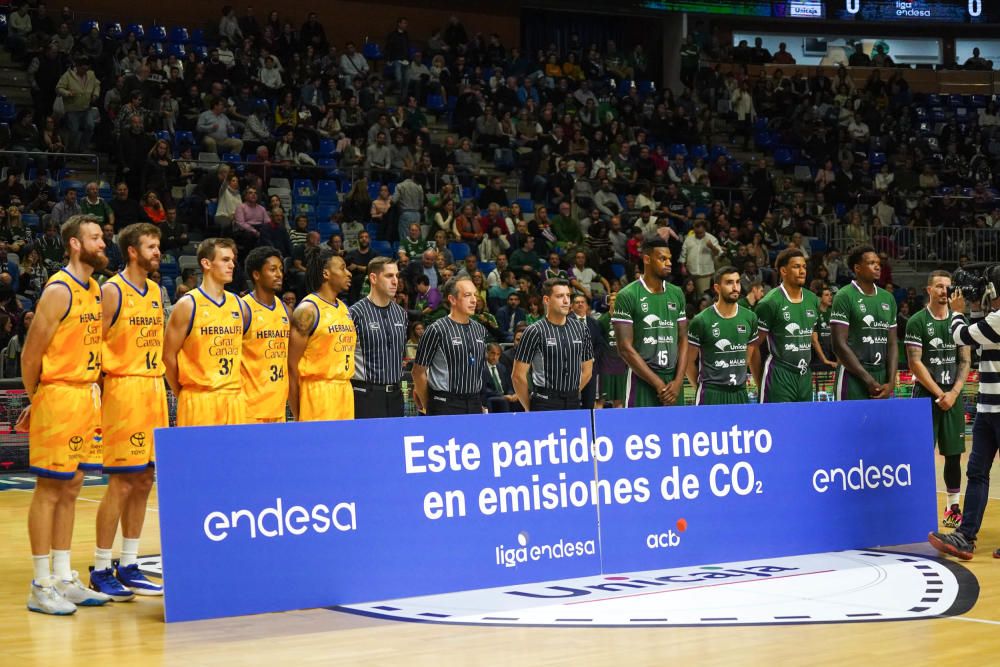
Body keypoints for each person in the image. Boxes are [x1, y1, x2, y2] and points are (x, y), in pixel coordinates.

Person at [21, 215, 111, 614]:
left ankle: (62, 574)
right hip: (58, 395)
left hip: (86, 395)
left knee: (73, 486)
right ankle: (40, 584)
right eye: (95, 237)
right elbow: (30, 355)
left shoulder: (94, 288)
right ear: (75, 244)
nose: (103, 242)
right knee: (49, 488)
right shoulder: (59, 290)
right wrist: (39, 398)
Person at [90, 223, 167, 601]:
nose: (158, 252)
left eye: (158, 246)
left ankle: (131, 563)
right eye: (151, 247)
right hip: (124, 389)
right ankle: (102, 566)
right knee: (121, 481)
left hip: (154, 388)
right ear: (132, 251)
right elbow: (94, 343)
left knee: (145, 479)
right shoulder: (111, 291)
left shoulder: (154, 290)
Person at [928, 266, 1000, 560]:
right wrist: (971, 309)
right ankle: (965, 537)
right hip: (987, 408)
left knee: (978, 473)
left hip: (996, 408)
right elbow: (980, 338)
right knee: (977, 472)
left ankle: (966, 535)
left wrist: (958, 311)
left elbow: (960, 336)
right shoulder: (993, 320)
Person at [906, 271, 970, 528]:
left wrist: (953, 393)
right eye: (940, 286)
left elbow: (965, 360)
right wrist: (939, 393)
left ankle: (952, 508)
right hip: (926, 396)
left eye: (948, 286)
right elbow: (914, 362)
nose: (945, 291)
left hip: (953, 395)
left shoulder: (959, 320)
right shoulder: (917, 321)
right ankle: (917, 509)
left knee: (954, 455)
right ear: (928, 290)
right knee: (921, 454)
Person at [162, 238, 250, 426]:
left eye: (233, 260)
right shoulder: (187, 304)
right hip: (199, 398)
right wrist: (185, 394)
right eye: (225, 260)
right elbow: (168, 356)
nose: (232, 265)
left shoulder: (239, 305)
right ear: (206, 263)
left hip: (234, 397)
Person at [612, 238, 689, 407]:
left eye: (670, 258)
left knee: (676, 433)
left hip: (673, 382)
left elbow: (683, 339)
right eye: (662, 258)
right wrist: (658, 384)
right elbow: (624, 348)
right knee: (639, 432)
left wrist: (678, 381)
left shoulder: (677, 293)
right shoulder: (628, 295)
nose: (669, 263)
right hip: (641, 380)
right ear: (647, 259)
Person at [287, 247, 357, 421]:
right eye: (342, 268)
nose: (348, 273)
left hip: (345, 389)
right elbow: (291, 366)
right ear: (326, 274)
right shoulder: (307, 310)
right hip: (318, 392)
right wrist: (297, 414)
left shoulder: (343, 307)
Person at [512, 278, 593, 411]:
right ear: (546, 300)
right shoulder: (534, 331)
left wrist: (569, 394)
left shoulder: (582, 329)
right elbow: (518, 376)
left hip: (573, 401)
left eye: (568, 296)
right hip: (544, 403)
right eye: (560, 296)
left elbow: (588, 370)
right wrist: (529, 408)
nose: (566, 301)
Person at [685, 266, 760, 405]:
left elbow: (749, 357)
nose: (735, 287)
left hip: (740, 392)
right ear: (717, 288)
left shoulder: (750, 317)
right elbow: (688, 363)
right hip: (711, 393)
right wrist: (701, 390)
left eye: (737, 282)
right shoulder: (701, 320)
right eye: (729, 282)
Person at [831, 245, 898, 400]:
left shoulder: (887, 298)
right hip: (853, 376)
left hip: (881, 376)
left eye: (878, 263)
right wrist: (868, 380)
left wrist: (891, 381)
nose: (877, 266)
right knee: (849, 424)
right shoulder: (844, 295)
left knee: (879, 425)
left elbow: (892, 343)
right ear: (857, 268)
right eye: (871, 263)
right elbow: (838, 344)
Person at [412, 277, 487, 415]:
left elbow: (477, 370)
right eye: (467, 295)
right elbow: (418, 372)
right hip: (444, 403)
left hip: (474, 402)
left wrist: (478, 403)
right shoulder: (436, 329)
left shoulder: (480, 330)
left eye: (474, 294)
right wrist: (429, 406)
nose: (474, 300)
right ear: (452, 299)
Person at [754, 248, 820, 402]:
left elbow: (812, 335)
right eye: (796, 267)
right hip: (779, 374)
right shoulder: (769, 302)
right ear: (783, 271)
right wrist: (759, 382)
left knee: (804, 423)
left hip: (805, 374)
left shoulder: (812, 299)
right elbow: (753, 346)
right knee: (776, 424)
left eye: (804, 266)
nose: (802, 271)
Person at [349, 257, 408, 418]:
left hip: (396, 394)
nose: (395, 281)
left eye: (397, 276)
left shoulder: (401, 314)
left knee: (394, 442)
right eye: (389, 276)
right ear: (373, 278)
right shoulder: (354, 313)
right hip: (365, 394)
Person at [240, 247, 291, 423]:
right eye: (272, 269)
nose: (279, 274)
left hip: (278, 407)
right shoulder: (243, 309)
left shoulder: (285, 309)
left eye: (280, 269)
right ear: (256, 274)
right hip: (249, 409)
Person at [598, 291, 628, 408]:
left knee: (619, 401)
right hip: (606, 366)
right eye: (613, 300)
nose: (615, 302)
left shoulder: (625, 320)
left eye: (618, 300)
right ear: (609, 303)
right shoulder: (602, 320)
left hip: (621, 365)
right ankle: (598, 425)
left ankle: (619, 425)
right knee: (601, 400)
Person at [481, 342, 518, 413]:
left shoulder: (502, 367)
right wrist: (502, 396)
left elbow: (508, 385)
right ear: (486, 353)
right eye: (492, 353)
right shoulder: (482, 368)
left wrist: (511, 394)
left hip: (505, 397)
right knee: (502, 401)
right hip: (490, 398)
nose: (495, 357)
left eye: (498, 354)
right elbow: (484, 389)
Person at [811, 286, 838, 371]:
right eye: (826, 295)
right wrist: (825, 360)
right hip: (818, 358)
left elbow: (837, 339)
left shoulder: (833, 313)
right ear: (819, 298)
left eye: (831, 295)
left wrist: (839, 358)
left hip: (833, 357)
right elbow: (814, 341)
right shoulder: (814, 314)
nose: (830, 297)